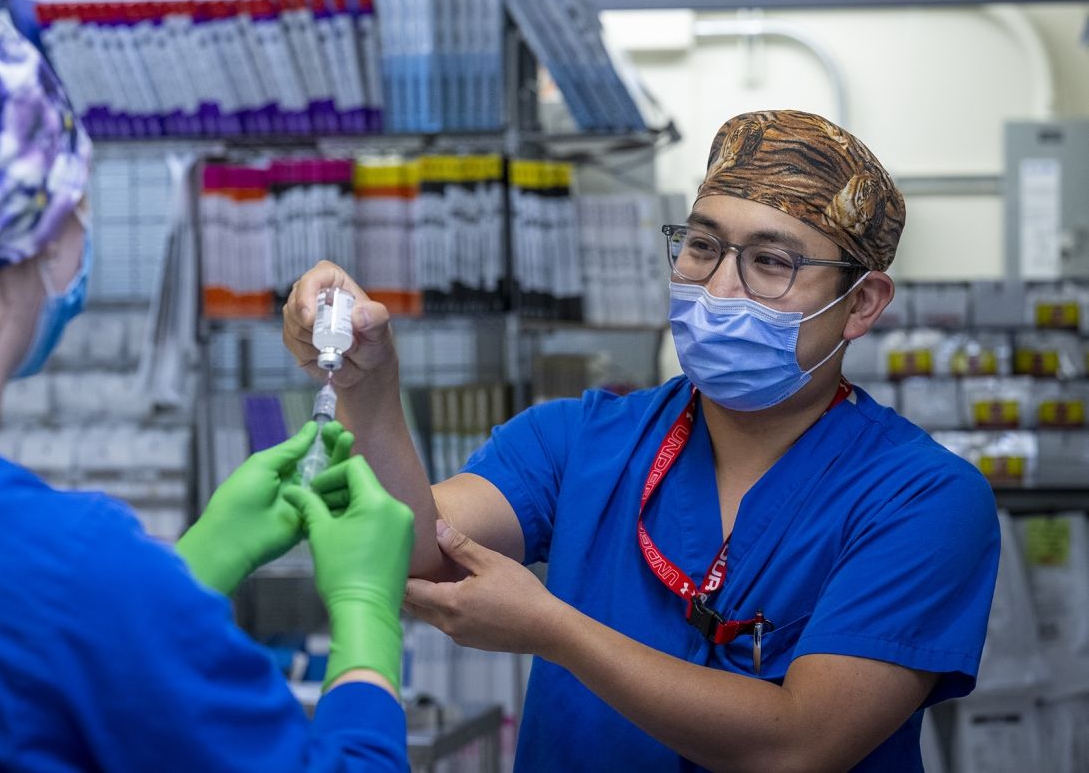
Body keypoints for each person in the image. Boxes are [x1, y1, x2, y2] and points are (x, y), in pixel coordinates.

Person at [283, 109, 1001, 771]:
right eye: (701, 246)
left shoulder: (924, 500)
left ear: (862, 304)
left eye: (771, 263)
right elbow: (416, 554)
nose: (719, 289)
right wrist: (367, 387)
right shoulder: (579, 440)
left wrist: (554, 630)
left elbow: (800, 743)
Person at [0, 11, 413, 772]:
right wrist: (368, 621)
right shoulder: (72, 566)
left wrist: (187, 573)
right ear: (47, 231)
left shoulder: (58, 576)